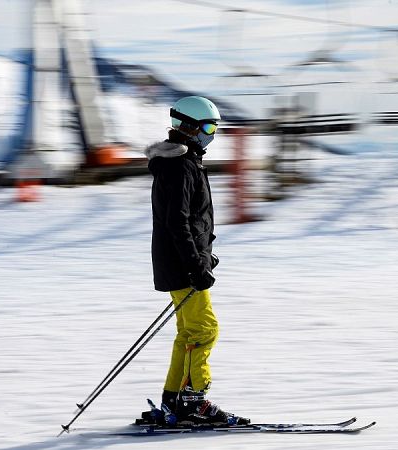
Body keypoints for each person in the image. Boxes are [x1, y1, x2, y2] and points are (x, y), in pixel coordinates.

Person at [141, 96, 249, 427]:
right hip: (183, 265)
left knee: (189, 332)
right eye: (211, 127)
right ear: (193, 127)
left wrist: (204, 254)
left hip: (180, 262)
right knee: (205, 330)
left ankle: (175, 400)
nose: (213, 135)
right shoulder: (181, 166)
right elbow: (179, 222)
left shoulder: (181, 163)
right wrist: (195, 265)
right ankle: (193, 404)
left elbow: (190, 221)